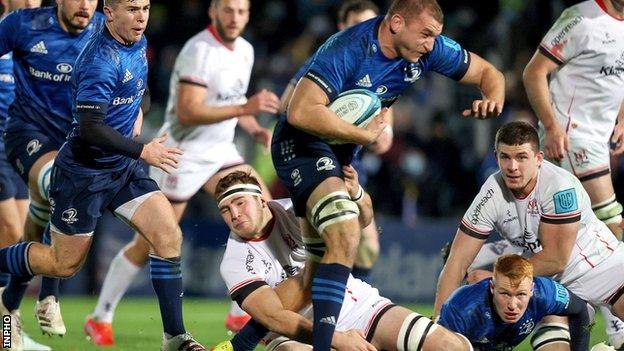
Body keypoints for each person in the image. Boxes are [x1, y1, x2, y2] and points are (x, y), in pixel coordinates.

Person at [271, 0, 505, 349]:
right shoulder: (348, 48)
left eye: (434, 37)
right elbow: (299, 112)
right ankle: (325, 344)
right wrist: (364, 135)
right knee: (346, 232)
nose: (430, 44)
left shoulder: (427, 48)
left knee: (315, 275)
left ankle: (242, 341)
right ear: (396, 23)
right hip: (302, 146)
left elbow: (489, 74)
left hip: (341, 154)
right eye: (425, 35)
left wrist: (493, 98)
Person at [0, 0, 208, 350]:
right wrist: (143, 149)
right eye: (131, 9)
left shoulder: (137, 40)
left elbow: (136, 90)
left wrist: (137, 117)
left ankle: (176, 338)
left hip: (121, 168)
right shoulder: (99, 60)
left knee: (168, 235)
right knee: (62, 264)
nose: (141, 16)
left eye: (145, 7)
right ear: (110, 14)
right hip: (82, 175)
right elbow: (90, 129)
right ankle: (24, 299)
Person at [83, 0, 281, 344]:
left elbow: (230, 101)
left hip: (220, 152)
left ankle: (241, 311)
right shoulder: (199, 50)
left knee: (264, 214)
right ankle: (100, 316)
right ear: (213, 12)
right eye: (229, 10)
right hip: (182, 154)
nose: (235, 18)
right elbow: (189, 113)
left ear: (249, 15)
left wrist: (252, 126)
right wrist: (245, 108)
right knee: (150, 241)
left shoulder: (246, 50)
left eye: (242, 11)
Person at [213, 170, 472, 351]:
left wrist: (356, 193)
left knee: (449, 346)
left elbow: (363, 221)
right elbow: (275, 319)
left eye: (240, 202)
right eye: (226, 210)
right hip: (295, 336)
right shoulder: (235, 262)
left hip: (356, 306)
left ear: (261, 200)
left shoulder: (298, 210)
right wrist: (335, 339)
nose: (234, 214)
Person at [434, 121, 624, 351]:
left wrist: (497, 276)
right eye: (505, 157)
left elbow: (556, 258)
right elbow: (456, 261)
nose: (512, 166)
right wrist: (436, 330)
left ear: (539, 158)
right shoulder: (491, 193)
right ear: (496, 157)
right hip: (547, 285)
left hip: (602, 266)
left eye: (522, 157)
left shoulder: (559, 187)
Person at [0, 0, 106, 343]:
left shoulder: (105, 29)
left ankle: (8, 310)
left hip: (67, 146)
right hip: (24, 137)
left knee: (34, 227)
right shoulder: (21, 26)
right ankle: (48, 295)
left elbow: (135, 86)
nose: (85, 5)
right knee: (52, 196)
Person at [524, 3, 624, 345]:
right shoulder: (582, 17)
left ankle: (575, 310)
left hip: (598, 140)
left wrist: (622, 118)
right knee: (611, 217)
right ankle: (616, 327)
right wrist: (551, 127)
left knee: (586, 233)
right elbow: (534, 72)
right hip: (570, 136)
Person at [439, 254, 590, 351]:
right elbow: (439, 345)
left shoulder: (545, 292)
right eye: (505, 293)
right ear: (492, 287)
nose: (512, 305)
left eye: (521, 294)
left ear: (531, 289)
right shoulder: (461, 308)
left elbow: (580, 310)